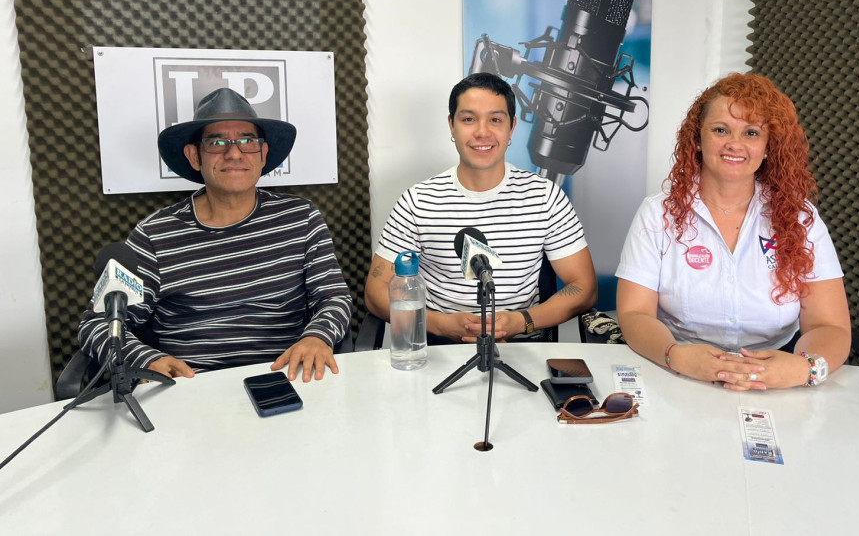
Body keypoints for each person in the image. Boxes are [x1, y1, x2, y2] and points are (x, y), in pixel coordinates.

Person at [78, 88, 353, 382]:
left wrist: (318, 337)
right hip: (195, 386)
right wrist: (147, 358)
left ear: (263, 154)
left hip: (287, 377)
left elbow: (334, 297)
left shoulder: (301, 218)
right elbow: (97, 323)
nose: (233, 153)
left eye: (247, 141)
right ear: (194, 156)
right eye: (217, 142)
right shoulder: (154, 235)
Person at [616, 73, 851, 390]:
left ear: (768, 146)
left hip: (779, 376)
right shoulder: (657, 214)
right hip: (677, 368)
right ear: (697, 139)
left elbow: (830, 326)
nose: (734, 144)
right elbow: (634, 314)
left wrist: (803, 369)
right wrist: (675, 355)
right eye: (720, 130)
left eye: (751, 133)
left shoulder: (800, 217)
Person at [364, 72, 597, 342]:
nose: (482, 132)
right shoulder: (418, 201)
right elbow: (375, 292)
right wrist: (440, 324)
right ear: (452, 125)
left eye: (496, 120)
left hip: (520, 347)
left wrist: (522, 321)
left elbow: (584, 288)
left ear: (512, 127)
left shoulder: (546, 197)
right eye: (468, 119)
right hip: (441, 348)